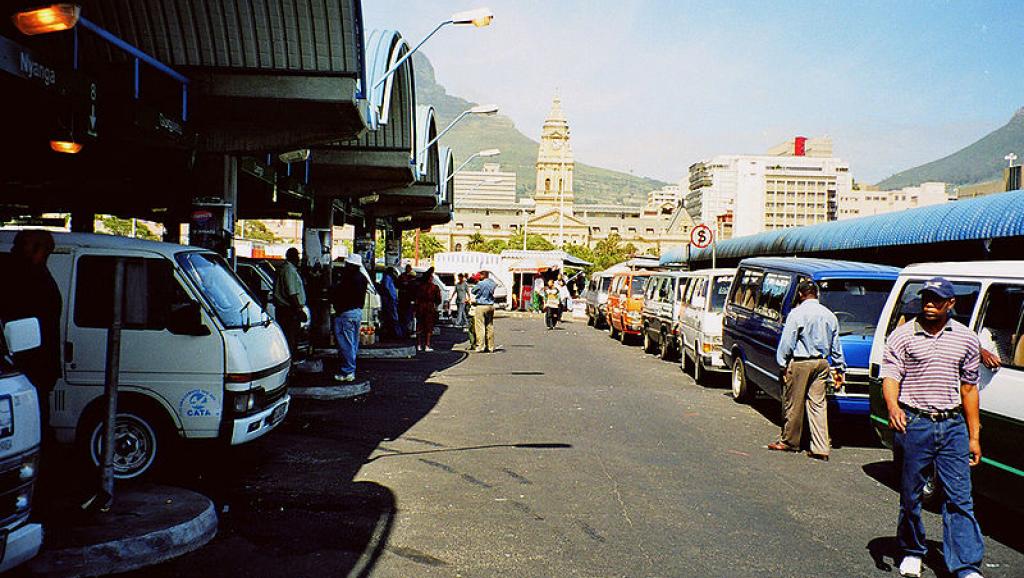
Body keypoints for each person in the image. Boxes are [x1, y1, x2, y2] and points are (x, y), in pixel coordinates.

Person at [881, 277, 985, 578]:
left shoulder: (966, 339)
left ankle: (965, 566)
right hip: (915, 423)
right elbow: (891, 376)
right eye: (926, 297)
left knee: (960, 497)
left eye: (936, 299)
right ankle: (913, 550)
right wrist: (893, 406)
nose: (929, 303)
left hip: (952, 425)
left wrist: (974, 436)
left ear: (950, 304)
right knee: (911, 494)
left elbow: (969, 389)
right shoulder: (902, 336)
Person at [769, 280, 845, 461]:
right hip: (821, 362)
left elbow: (788, 342)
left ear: (801, 295)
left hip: (801, 362)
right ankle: (820, 447)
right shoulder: (829, 315)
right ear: (816, 294)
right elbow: (836, 345)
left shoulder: (797, 314)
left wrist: (782, 363)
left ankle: (790, 442)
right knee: (818, 404)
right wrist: (839, 368)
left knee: (794, 403)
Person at [0, 230, 62, 431]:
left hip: (30, 366)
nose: (14, 250)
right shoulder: (37, 280)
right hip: (33, 365)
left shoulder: (35, 282)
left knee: (30, 425)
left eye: (20, 246)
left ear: (39, 251)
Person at [328, 254, 368, 382]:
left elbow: (339, 294)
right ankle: (350, 369)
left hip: (346, 313)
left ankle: (348, 371)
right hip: (357, 312)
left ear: (350, 265)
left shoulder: (347, 279)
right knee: (352, 344)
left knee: (345, 344)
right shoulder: (362, 278)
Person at [272, 248, 307, 357]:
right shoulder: (289, 270)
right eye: (297, 256)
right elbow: (292, 292)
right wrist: (299, 310)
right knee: (290, 338)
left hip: (288, 309)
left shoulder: (289, 269)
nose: (299, 258)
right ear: (293, 257)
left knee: (292, 337)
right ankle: (290, 365)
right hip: (288, 310)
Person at [415, 268, 442, 352]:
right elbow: (438, 300)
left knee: (419, 327)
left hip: (420, 307)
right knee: (428, 327)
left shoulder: (419, 287)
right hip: (429, 308)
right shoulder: (434, 287)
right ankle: (427, 345)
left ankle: (419, 345)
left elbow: (416, 298)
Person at [471, 270, 497, 352]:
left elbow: (473, 291)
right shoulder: (492, 283)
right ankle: (490, 346)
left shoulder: (480, 283)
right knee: (490, 326)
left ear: (483, 275)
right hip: (490, 305)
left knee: (480, 326)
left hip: (481, 305)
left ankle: (480, 346)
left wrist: (477, 283)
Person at [396, 264, 417, 337]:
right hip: (404, 300)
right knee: (405, 317)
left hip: (406, 300)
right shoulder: (402, 277)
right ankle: (405, 332)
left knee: (407, 317)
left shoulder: (410, 281)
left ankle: (406, 331)